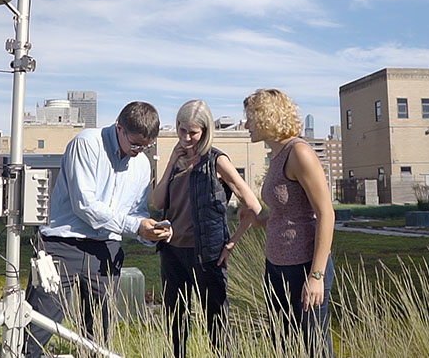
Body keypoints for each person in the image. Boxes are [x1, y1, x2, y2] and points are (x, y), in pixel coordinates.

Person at [23, 101, 172, 358]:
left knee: (101, 333)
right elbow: (86, 206)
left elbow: (135, 214)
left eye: (147, 146)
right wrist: (136, 225)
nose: (139, 151)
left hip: (106, 250)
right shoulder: (87, 144)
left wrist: (150, 232)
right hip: (62, 245)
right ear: (119, 128)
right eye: (135, 144)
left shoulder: (142, 165)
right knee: (40, 323)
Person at [150, 99, 263, 358]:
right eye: (181, 130)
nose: (187, 137)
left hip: (207, 254)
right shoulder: (176, 160)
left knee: (217, 326)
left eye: (193, 132)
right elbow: (157, 202)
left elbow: (252, 204)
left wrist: (232, 243)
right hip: (172, 252)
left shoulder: (216, 160)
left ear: (205, 130)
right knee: (175, 323)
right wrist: (170, 164)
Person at [243, 89, 335, 357]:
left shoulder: (299, 153)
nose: (246, 125)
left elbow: (326, 214)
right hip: (276, 266)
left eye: (250, 118)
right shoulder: (276, 156)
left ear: (266, 117)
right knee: (284, 345)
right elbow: (287, 212)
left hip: (304, 268)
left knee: (313, 347)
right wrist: (258, 221)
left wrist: (316, 276)